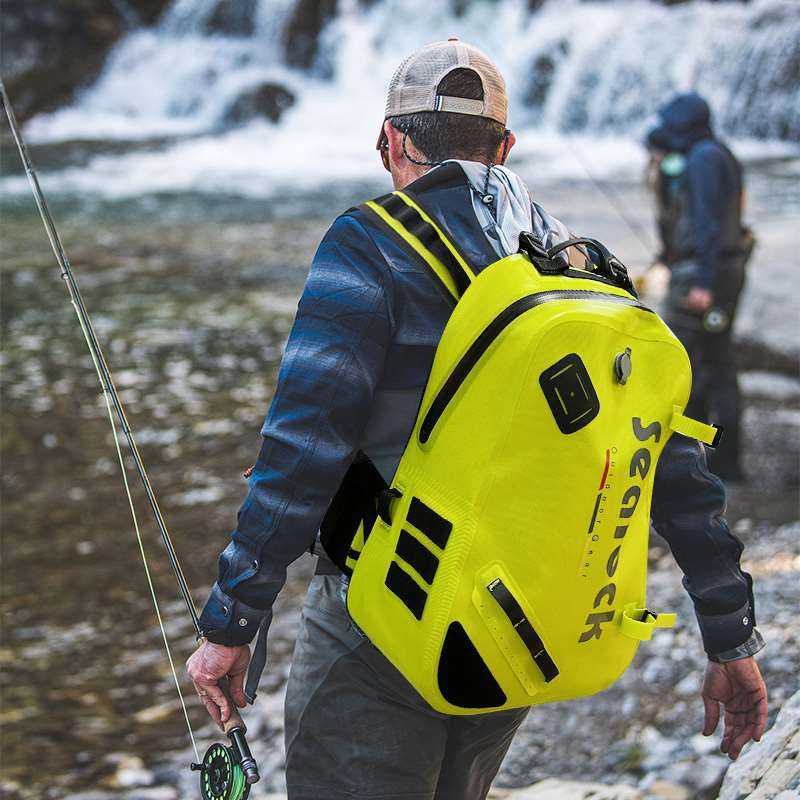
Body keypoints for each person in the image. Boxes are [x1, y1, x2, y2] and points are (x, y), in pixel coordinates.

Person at [187, 43, 767, 799]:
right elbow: (666, 458)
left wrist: (232, 620)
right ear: (504, 148)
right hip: (517, 622)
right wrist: (729, 634)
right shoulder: (584, 268)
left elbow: (301, 451)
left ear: (391, 141)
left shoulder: (366, 246)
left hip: (380, 624)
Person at [645, 92, 754, 482]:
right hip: (717, 271)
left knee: (685, 367)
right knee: (716, 364)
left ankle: (694, 462)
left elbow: (707, 223)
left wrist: (704, 282)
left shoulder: (704, 158)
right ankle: (721, 460)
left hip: (703, 278)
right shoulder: (714, 152)